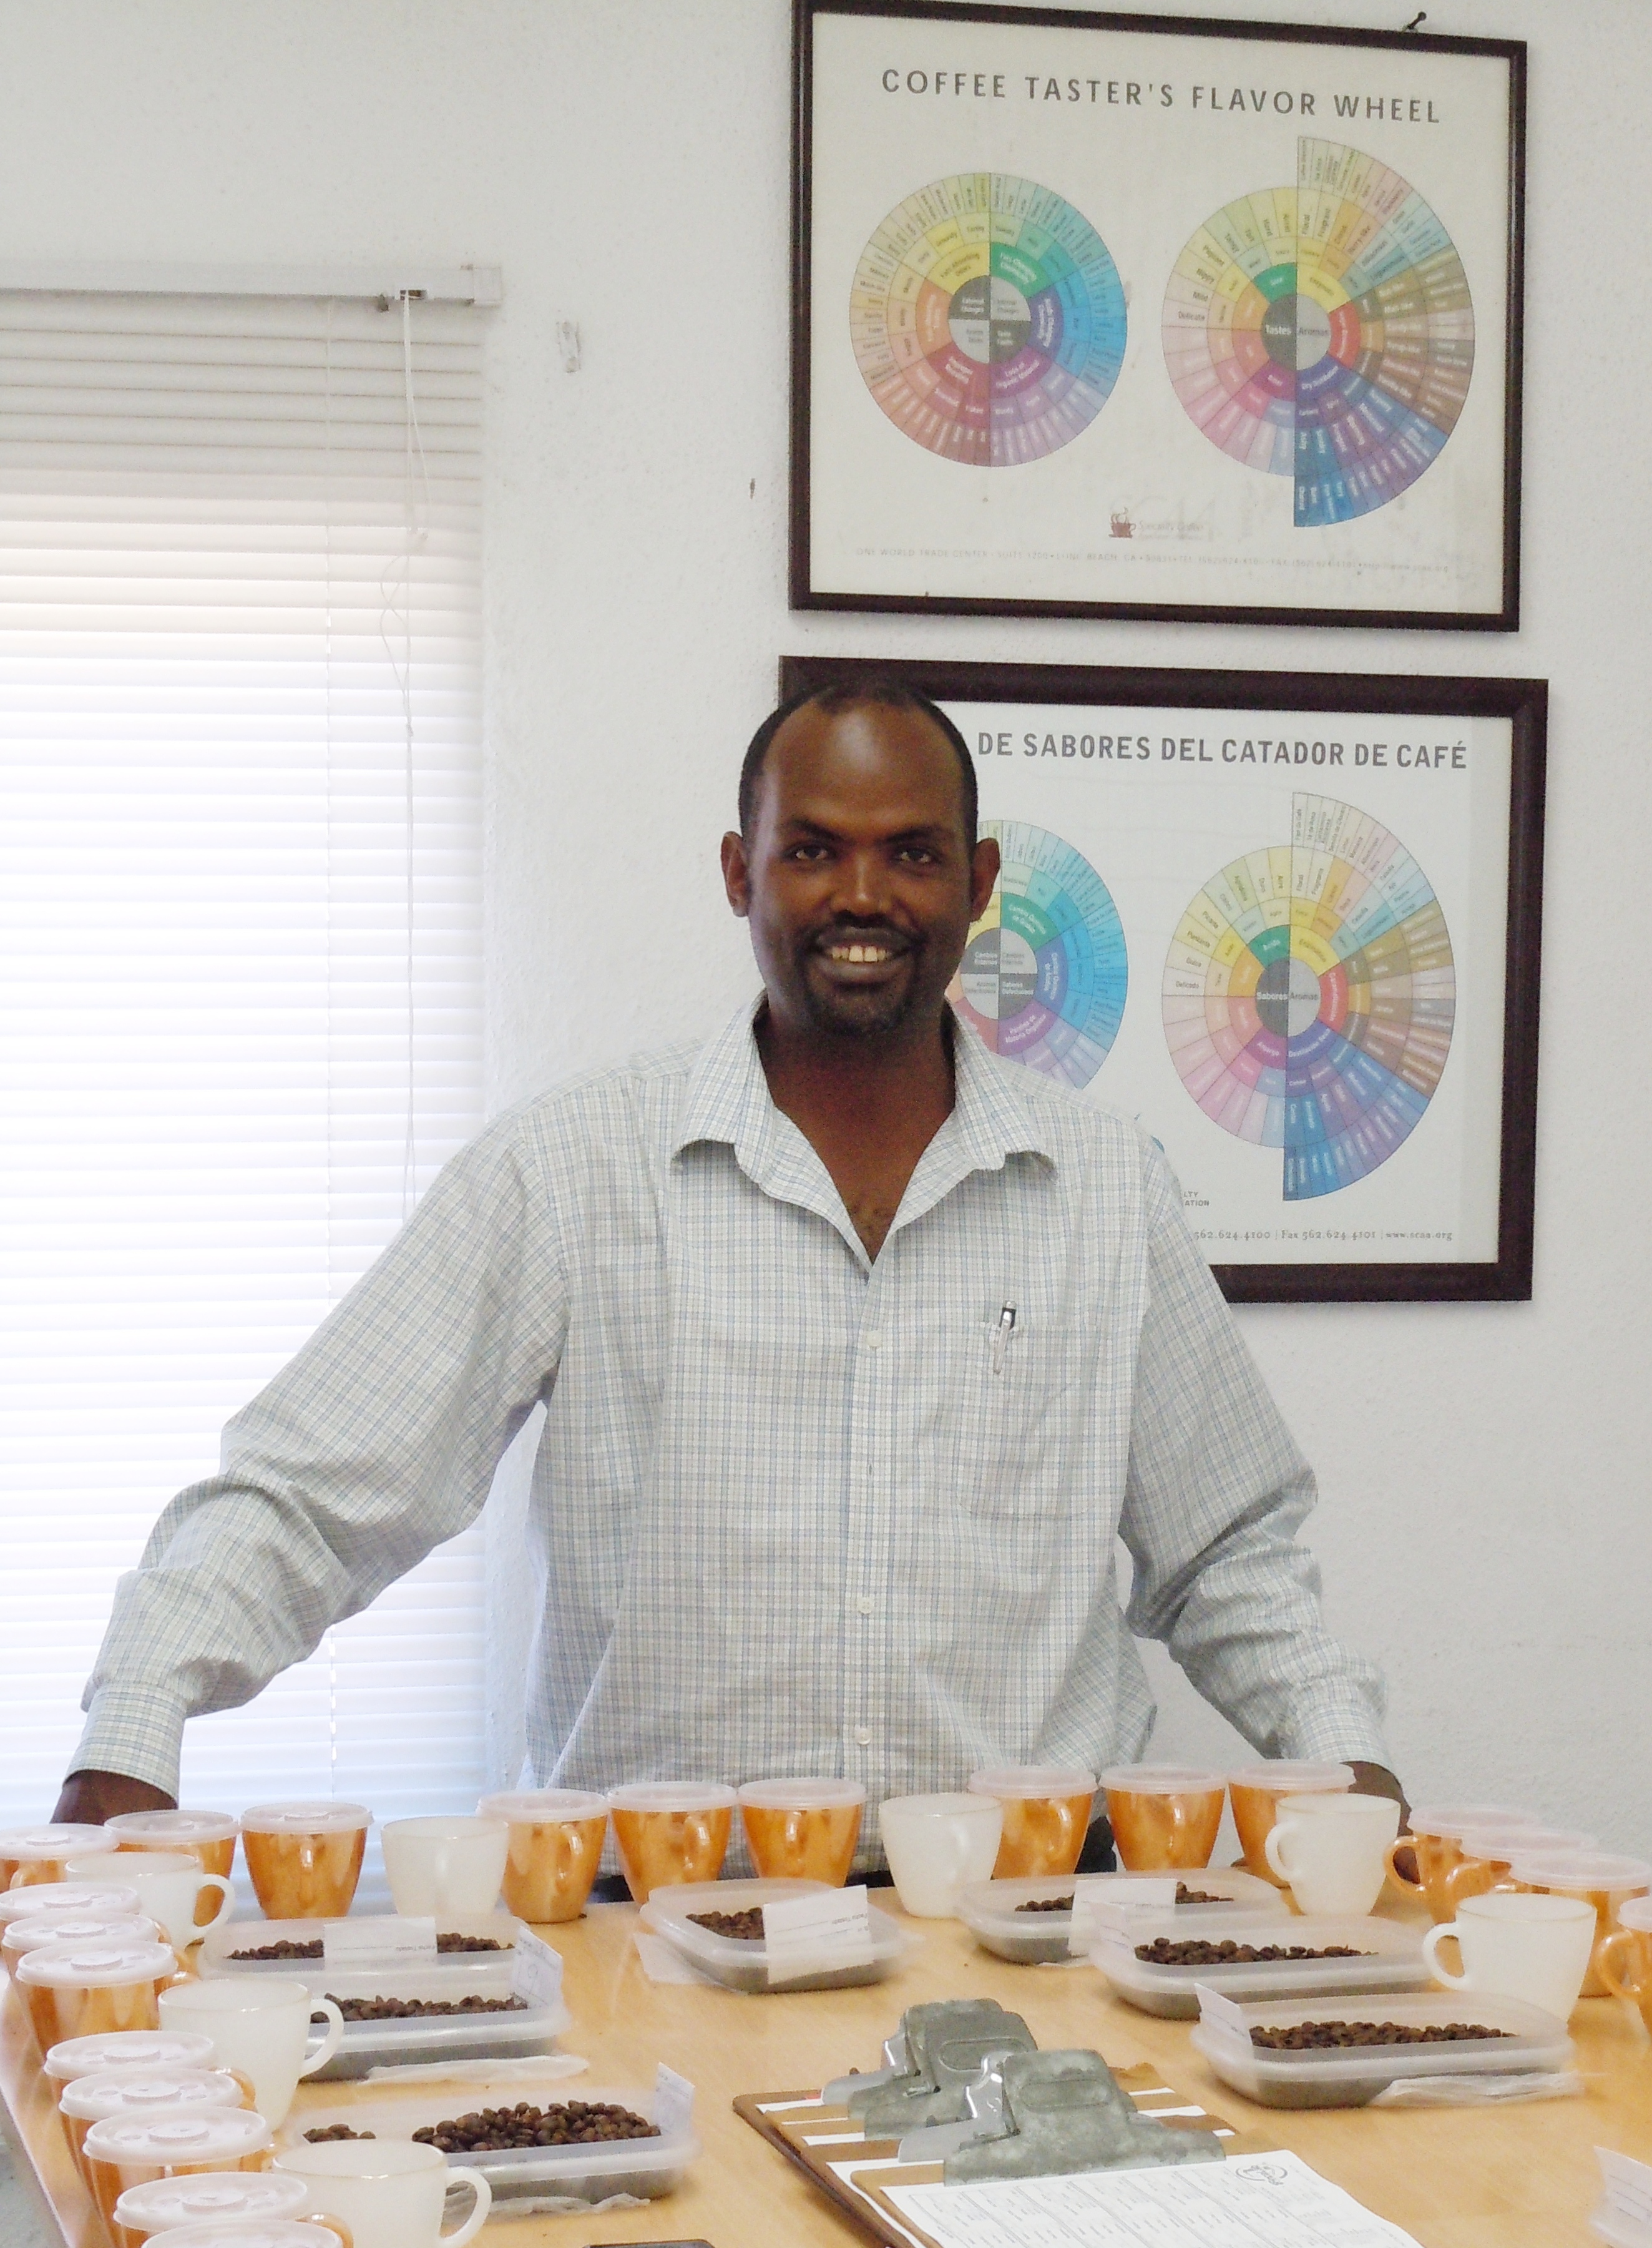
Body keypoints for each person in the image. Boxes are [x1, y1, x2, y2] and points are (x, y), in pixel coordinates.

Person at [58, 677, 1399, 1864]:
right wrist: (133, 1730)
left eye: (912, 855)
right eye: (813, 850)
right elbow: (311, 1493)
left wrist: (1357, 1770)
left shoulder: (1108, 1189)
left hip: (1032, 1918)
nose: (863, 896)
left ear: (981, 884)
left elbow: (1229, 1552)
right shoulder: (568, 1171)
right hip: (650, 1918)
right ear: (738, 873)